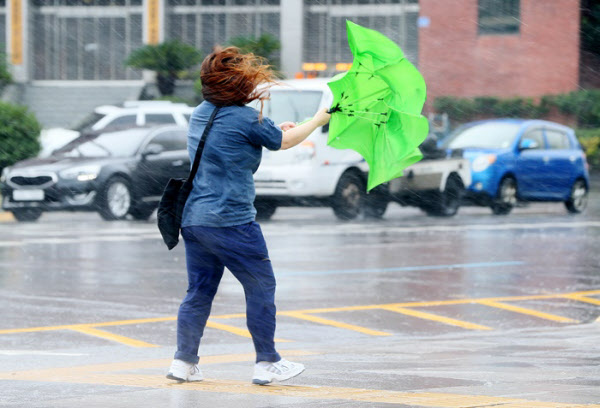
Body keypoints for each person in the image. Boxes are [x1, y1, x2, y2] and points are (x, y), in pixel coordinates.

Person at [166, 46, 331, 385]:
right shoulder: (245, 117)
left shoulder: (200, 112)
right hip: (232, 221)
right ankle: (267, 361)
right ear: (239, 85)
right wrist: (318, 120)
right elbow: (282, 143)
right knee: (260, 286)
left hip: (195, 219)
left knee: (198, 291)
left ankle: (183, 362)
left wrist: (277, 130)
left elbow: (263, 136)